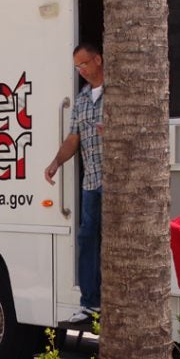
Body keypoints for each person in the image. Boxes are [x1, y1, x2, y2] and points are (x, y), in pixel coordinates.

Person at [44, 42, 103, 324]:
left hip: (119, 184)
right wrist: (56, 162)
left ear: (98, 60)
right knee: (87, 238)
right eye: (77, 67)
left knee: (112, 242)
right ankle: (91, 303)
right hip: (91, 181)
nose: (81, 71)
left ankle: (110, 300)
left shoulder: (119, 91)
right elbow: (73, 139)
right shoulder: (81, 99)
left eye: (84, 64)